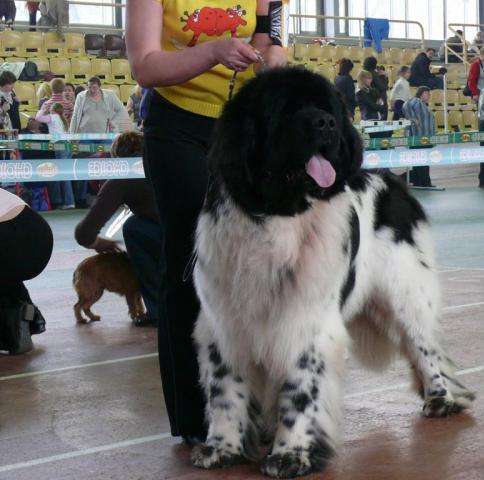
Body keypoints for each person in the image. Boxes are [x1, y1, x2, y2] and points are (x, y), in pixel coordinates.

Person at [126, 0, 287, 445]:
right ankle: (198, 419)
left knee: (256, 266)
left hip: (241, 126)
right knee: (189, 264)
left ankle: (257, 405)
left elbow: (267, 34)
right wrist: (214, 51)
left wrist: (270, 56)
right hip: (177, 128)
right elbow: (144, 66)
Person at [74, 131, 160, 327]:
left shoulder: (124, 175)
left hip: (170, 236)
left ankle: (157, 309)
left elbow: (84, 232)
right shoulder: (166, 162)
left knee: (133, 226)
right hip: (201, 232)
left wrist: (97, 242)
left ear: (117, 157)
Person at [0, 187, 52, 354]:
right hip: (39, 236)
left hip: (11, 239)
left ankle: (10, 334)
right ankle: (31, 318)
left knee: (6, 272)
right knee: (7, 275)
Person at [69, 76, 131, 208]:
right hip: (86, 136)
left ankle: (112, 197)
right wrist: (72, 135)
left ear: (99, 87)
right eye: (89, 87)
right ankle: (81, 199)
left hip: (105, 135)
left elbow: (121, 110)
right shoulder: (81, 96)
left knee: (110, 165)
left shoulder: (110, 96)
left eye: (94, 87)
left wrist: (114, 122)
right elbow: (75, 116)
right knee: (83, 166)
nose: (91, 90)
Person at [402, 86, 436, 188]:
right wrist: (412, 119)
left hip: (424, 138)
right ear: (421, 93)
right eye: (427, 93)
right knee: (422, 162)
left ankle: (420, 182)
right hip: (419, 138)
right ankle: (425, 183)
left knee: (421, 162)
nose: (429, 95)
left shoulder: (423, 104)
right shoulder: (416, 101)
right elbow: (405, 105)